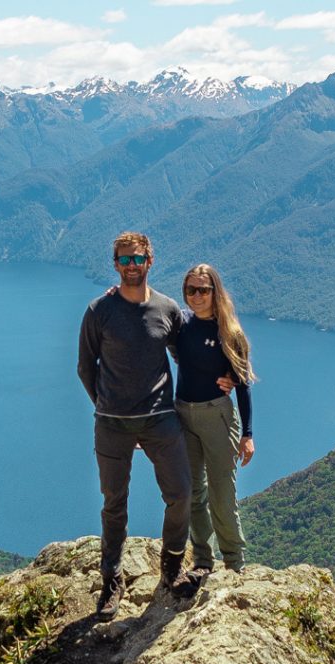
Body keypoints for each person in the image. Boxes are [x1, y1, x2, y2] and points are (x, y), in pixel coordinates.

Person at [77, 231, 197, 623]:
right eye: (124, 260)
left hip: (160, 419)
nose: (131, 266)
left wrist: (226, 376)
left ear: (150, 261)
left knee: (180, 493)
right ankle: (112, 578)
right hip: (112, 424)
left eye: (137, 259)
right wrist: (107, 406)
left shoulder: (167, 309)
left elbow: (187, 356)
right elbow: (85, 367)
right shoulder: (99, 311)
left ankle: (172, 568)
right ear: (115, 264)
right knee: (115, 504)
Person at [174, 264, 256, 576]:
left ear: (215, 292)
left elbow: (243, 385)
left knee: (222, 495)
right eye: (190, 290)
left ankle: (234, 563)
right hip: (183, 414)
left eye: (203, 290)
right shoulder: (180, 324)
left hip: (216, 415)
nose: (196, 296)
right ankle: (203, 561)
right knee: (193, 492)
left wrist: (247, 434)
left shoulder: (229, 333)